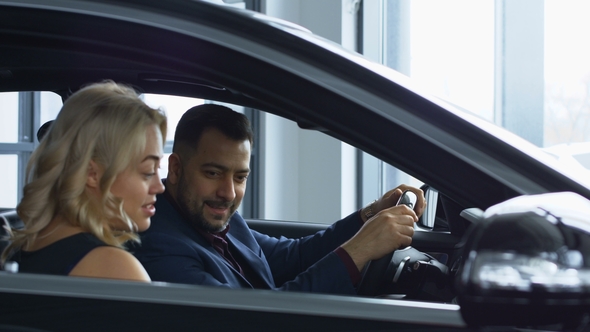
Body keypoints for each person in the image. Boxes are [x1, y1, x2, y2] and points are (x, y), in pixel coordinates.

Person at [133, 104, 425, 294]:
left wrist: (370, 214)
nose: (228, 193)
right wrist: (361, 249)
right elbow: (258, 320)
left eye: (240, 177)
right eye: (212, 173)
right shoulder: (159, 246)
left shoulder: (214, 217)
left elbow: (293, 257)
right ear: (175, 169)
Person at [1, 81, 167, 282]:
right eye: (148, 172)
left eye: (158, 170)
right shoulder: (112, 266)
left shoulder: (26, 247)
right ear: (92, 174)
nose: (160, 186)